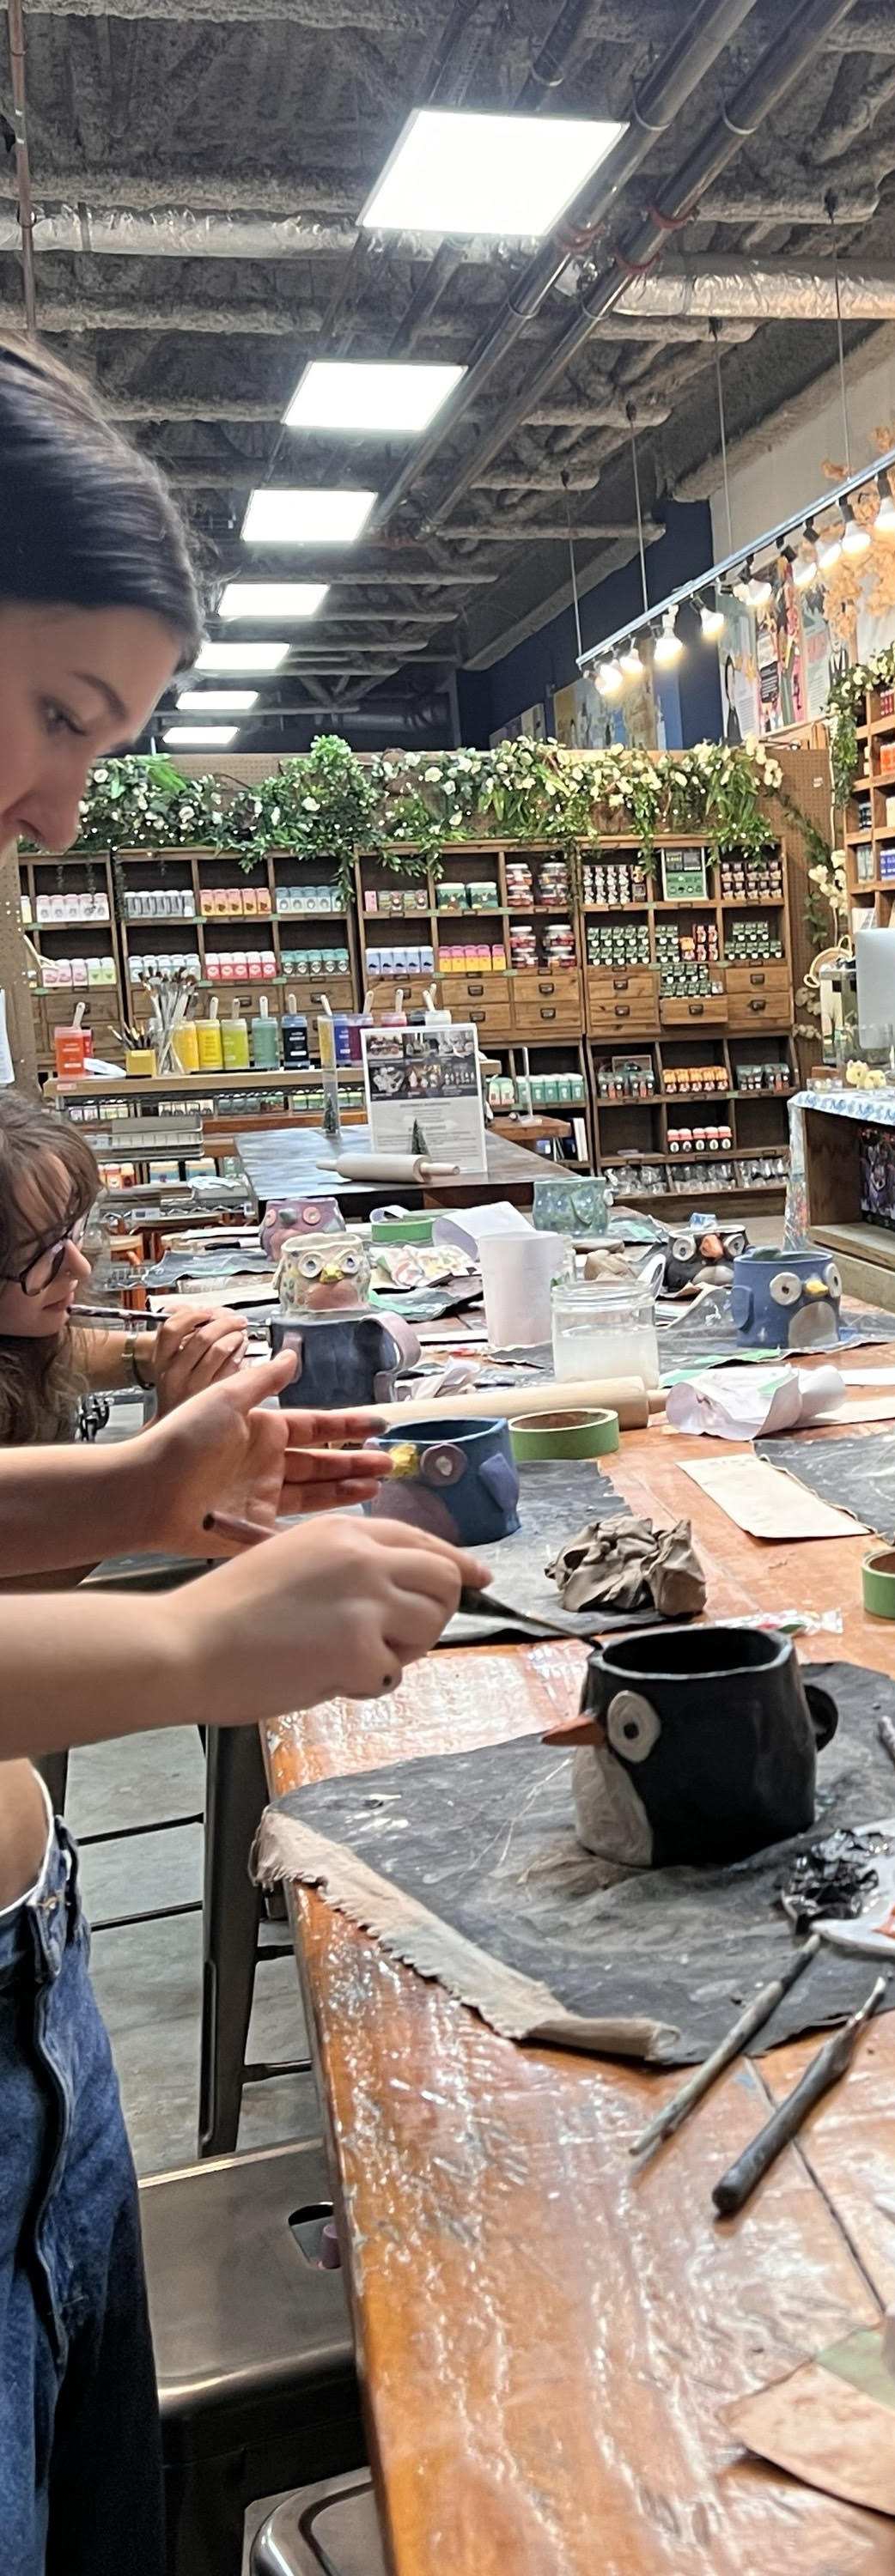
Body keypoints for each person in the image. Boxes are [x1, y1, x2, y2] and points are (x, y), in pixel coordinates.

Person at [0, 336, 487, 2576]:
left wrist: (123, 1501)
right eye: (61, 716)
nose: (67, 810)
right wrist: (200, 1640)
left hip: (30, 1993)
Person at [0, 1094, 248, 1442]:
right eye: (40, 1251)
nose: (80, 1266)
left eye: (72, 1230)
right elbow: (71, 1498)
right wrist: (174, 1426)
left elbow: (51, 1347)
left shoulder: (20, 1328)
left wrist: (155, 1353)